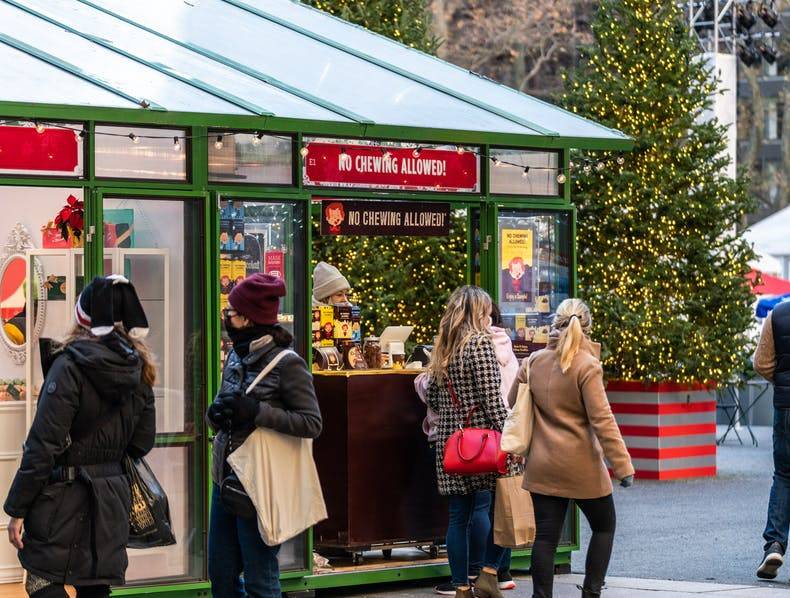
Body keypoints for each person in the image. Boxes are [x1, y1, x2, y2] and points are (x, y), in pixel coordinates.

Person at [4, 275, 157, 598]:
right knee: (96, 586)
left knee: (42, 580)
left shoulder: (68, 366)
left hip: (61, 498)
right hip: (111, 500)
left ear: (82, 317)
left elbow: (42, 445)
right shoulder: (141, 369)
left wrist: (16, 509)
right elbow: (142, 443)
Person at [508, 298, 634, 598]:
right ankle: (591, 593)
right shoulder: (587, 366)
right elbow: (602, 420)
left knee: (546, 537)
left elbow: (513, 401)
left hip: (542, 464)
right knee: (604, 526)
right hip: (582, 466)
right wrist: (623, 466)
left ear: (555, 325)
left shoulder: (534, 362)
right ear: (587, 328)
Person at [207, 273, 322, 598]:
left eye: (231, 312)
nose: (226, 317)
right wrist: (214, 415)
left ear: (248, 318)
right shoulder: (235, 355)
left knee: (260, 579)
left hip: (259, 485)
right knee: (222, 576)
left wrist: (257, 413)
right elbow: (222, 408)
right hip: (224, 480)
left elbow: (312, 422)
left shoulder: (288, 364)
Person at [427, 286, 521, 598]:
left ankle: (460, 586)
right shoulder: (480, 344)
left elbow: (436, 400)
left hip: (451, 441)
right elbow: (492, 398)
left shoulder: (444, 346)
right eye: (485, 310)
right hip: (482, 440)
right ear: (476, 311)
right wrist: (511, 437)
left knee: (458, 516)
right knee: (495, 508)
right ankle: (487, 573)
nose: (489, 316)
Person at [753, 300, 790, 580]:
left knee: (784, 475)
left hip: (786, 407)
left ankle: (774, 545)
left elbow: (761, 363)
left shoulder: (777, 314)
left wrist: (782, 380)